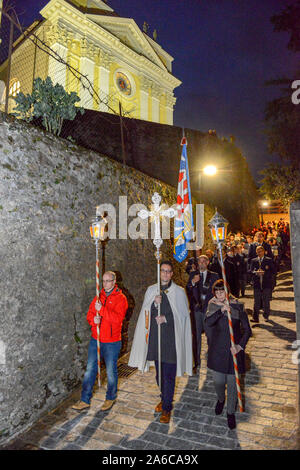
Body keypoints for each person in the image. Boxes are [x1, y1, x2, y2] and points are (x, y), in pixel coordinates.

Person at [128, 261, 193, 423]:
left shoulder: (179, 291)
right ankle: (164, 398)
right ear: (160, 273)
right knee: (159, 376)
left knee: (169, 376)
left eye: (168, 271)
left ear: (172, 274)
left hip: (171, 341)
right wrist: (153, 303)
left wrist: (167, 318)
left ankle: (166, 408)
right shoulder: (152, 290)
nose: (165, 274)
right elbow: (145, 313)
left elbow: (184, 315)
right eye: (163, 271)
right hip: (156, 340)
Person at [72, 271, 128, 412]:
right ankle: (84, 400)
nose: (105, 284)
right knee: (90, 370)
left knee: (110, 371)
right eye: (103, 281)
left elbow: (117, 319)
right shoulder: (98, 297)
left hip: (112, 342)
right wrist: (93, 320)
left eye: (108, 281)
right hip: (96, 339)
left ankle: (110, 397)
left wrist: (102, 311)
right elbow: (90, 314)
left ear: (114, 282)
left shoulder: (121, 299)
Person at [205, 279, 252, 429]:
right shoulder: (212, 305)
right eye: (217, 291)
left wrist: (239, 346)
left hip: (233, 351)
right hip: (217, 351)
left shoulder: (237, 305)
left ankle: (230, 412)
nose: (219, 294)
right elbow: (208, 323)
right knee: (218, 382)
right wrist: (221, 311)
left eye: (222, 291)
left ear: (227, 291)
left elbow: (247, 330)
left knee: (232, 385)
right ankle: (220, 399)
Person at [186, 255, 220, 374]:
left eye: (204, 261)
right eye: (200, 261)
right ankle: (196, 362)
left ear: (208, 262)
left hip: (209, 311)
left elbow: (219, 291)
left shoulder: (214, 275)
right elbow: (188, 289)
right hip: (196, 311)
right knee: (196, 338)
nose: (202, 263)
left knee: (211, 337)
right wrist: (192, 282)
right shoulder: (192, 275)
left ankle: (212, 361)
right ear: (197, 263)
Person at [249, 245, 276, 322]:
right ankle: (255, 317)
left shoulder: (269, 260)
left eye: (260, 251)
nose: (259, 253)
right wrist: (256, 272)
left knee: (266, 300)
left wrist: (265, 273)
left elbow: (273, 271)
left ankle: (266, 315)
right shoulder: (253, 261)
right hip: (257, 284)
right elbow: (250, 271)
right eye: (258, 251)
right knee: (256, 301)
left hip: (266, 284)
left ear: (264, 251)